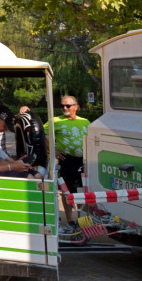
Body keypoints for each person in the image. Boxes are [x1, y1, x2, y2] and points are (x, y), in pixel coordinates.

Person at [44, 95, 90, 232]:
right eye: (62, 105)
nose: (65, 108)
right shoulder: (55, 121)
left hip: (83, 160)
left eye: (68, 106)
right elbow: (42, 134)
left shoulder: (85, 121)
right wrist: (54, 151)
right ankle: (70, 219)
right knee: (67, 190)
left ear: (76, 107)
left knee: (83, 190)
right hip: (67, 160)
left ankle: (82, 219)